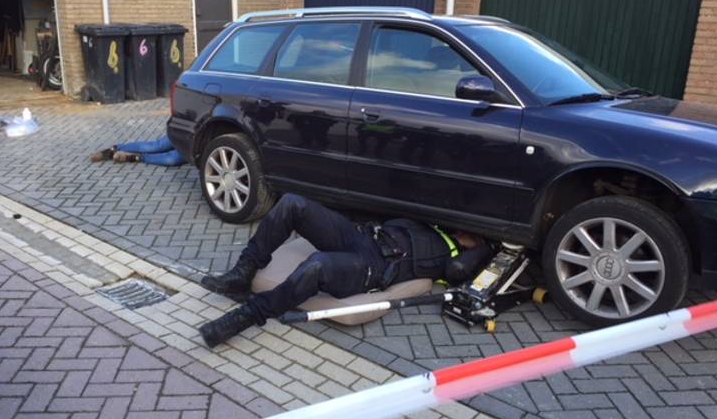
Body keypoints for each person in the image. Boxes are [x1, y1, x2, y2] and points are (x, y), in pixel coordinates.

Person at [198, 193, 491, 347]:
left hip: (373, 267)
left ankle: (249, 314)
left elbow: (462, 270)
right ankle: (243, 271)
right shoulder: (431, 225)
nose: (465, 231)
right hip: (360, 236)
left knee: (317, 267)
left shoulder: (452, 260)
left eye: (472, 234)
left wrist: (479, 247)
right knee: (292, 203)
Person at [90, 135, 186, 166]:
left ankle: (135, 157)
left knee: (172, 159)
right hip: (183, 132)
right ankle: (113, 150)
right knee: (155, 146)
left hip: (195, 145)